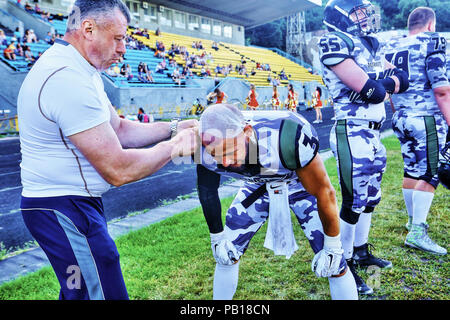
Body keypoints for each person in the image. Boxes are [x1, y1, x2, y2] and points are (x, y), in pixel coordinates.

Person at [17, 0, 198, 300]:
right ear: (88, 29)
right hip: (61, 207)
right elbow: (118, 169)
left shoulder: (81, 70)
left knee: (83, 292)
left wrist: (175, 127)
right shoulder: (66, 78)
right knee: (100, 291)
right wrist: (175, 147)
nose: (124, 48)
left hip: (68, 204)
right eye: (118, 38)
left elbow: (120, 130)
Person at [196, 104, 358, 300]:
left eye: (230, 151)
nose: (226, 162)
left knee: (335, 262)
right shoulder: (201, 143)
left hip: (298, 184)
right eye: (216, 155)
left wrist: (332, 245)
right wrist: (217, 237)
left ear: (247, 132)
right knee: (225, 253)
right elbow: (207, 190)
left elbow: (324, 191)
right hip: (256, 186)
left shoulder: (289, 133)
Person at [318, 0, 409, 295]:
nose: (365, 18)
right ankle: (343, 262)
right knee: (353, 200)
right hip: (351, 130)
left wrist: (382, 83)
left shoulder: (366, 44)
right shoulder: (334, 40)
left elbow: (401, 78)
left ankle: (361, 251)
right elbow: (372, 90)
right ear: (340, 16)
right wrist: (382, 83)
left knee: (370, 198)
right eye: (358, 12)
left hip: (373, 133)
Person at [385, 7, 449, 255]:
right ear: (431, 24)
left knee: (412, 169)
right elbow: (442, 89)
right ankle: (417, 232)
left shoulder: (395, 45)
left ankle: (413, 222)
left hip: (401, 116)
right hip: (426, 118)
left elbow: (391, 88)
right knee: (431, 173)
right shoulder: (432, 41)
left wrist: (398, 111)